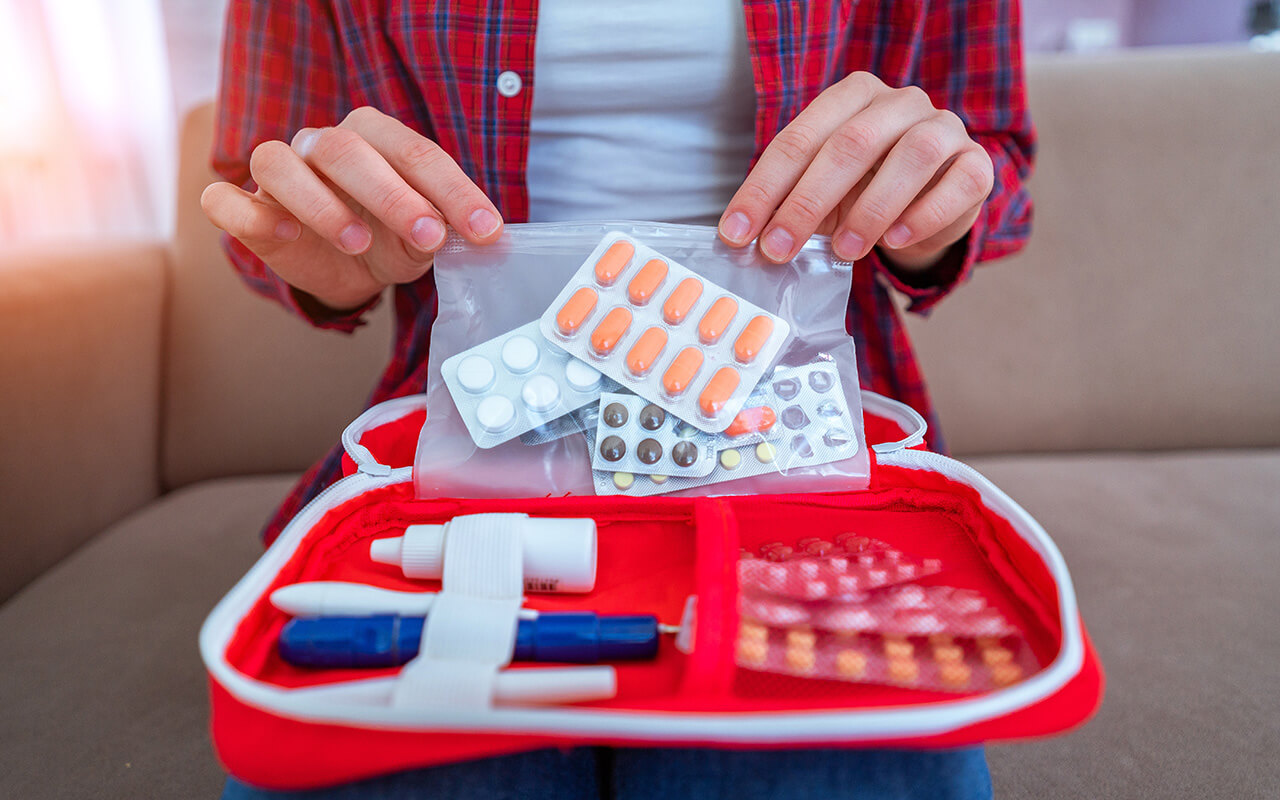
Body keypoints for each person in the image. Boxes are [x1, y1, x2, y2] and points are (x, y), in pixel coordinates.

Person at [203, 1, 1034, 797]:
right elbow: (257, 184)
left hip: (793, 448)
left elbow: (1000, 164)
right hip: (475, 462)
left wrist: (935, 206)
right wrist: (324, 240)